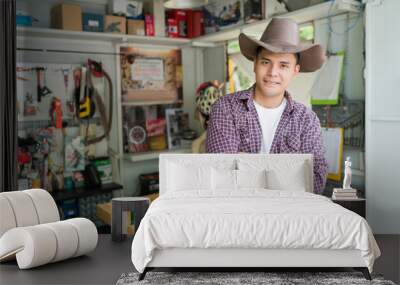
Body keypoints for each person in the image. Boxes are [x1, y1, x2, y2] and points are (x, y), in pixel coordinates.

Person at [206, 18, 328, 194]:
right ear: (254, 63)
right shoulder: (226, 109)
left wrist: (246, 163)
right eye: (265, 62)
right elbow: (222, 174)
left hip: (289, 216)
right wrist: (288, 174)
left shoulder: (307, 120)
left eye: (283, 65)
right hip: (238, 215)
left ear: (295, 70)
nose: (272, 73)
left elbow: (315, 181)